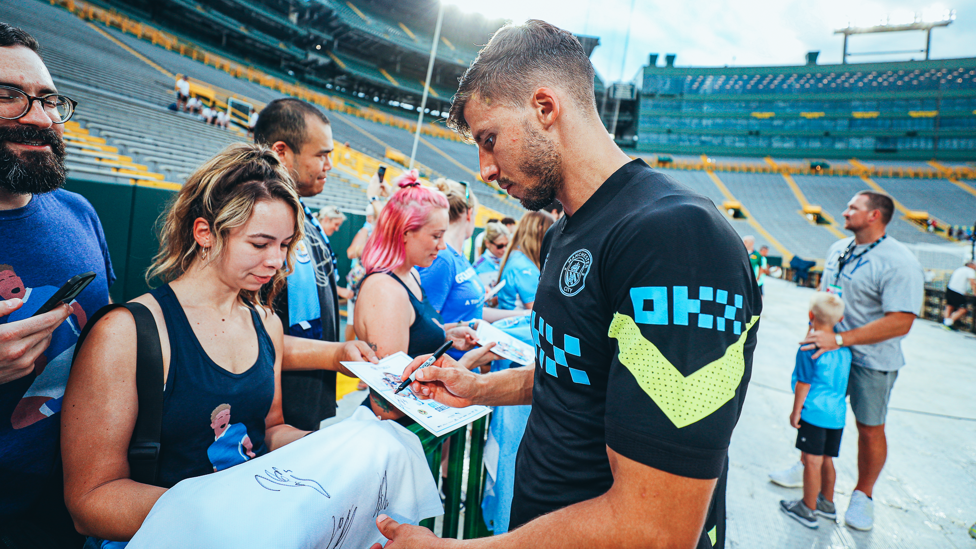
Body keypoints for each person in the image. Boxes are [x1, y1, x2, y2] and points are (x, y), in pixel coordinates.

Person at [373, 20, 762, 549]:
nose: (484, 169)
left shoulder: (676, 240)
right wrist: (478, 388)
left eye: (489, 139)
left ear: (545, 107)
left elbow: (658, 530)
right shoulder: (566, 231)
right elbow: (580, 375)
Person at [61, 144, 324, 544]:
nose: (276, 261)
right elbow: (90, 500)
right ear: (205, 232)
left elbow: (268, 430)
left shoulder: (266, 322)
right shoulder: (127, 332)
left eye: (285, 245)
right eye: (259, 244)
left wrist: (335, 447)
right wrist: (214, 514)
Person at [0, 24, 112, 548]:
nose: (40, 118)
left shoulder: (80, 214)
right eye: (8, 96)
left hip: (70, 503)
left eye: (47, 100)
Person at [795, 190, 923, 531]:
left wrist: (840, 339)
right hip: (829, 352)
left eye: (853, 207)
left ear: (874, 216)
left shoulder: (899, 261)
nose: (845, 211)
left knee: (869, 428)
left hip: (872, 359)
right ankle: (809, 464)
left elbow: (902, 320)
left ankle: (863, 495)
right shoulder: (838, 248)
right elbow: (825, 299)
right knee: (816, 411)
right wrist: (814, 333)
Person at [254, 98, 375, 432]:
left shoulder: (303, 217)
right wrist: (334, 354)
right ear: (282, 151)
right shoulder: (256, 228)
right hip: (268, 419)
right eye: (322, 154)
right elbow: (249, 339)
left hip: (306, 403)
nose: (330, 164)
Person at [353, 171, 488, 420]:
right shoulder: (386, 291)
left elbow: (412, 336)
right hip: (396, 430)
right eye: (436, 236)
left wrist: (447, 333)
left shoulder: (411, 274)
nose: (443, 245)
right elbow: (391, 399)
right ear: (405, 233)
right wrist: (464, 365)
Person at [780, 293, 852, 529]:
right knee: (827, 460)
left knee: (811, 461)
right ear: (840, 318)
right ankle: (827, 504)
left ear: (810, 315)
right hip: (837, 414)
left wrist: (796, 411)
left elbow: (804, 382)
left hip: (814, 412)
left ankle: (807, 508)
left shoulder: (809, 347)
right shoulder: (844, 349)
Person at [419, 179, 525, 333]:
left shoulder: (456, 255)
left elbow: (473, 314)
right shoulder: (442, 258)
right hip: (452, 355)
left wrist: (523, 315)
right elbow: (427, 327)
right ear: (469, 214)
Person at [495, 211, 554, 310]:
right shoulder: (525, 268)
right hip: (519, 323)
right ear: (540, 231)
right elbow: (539, 311)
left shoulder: (516, 255)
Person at [345, 202, 378, 343]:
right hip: (359, 281)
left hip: (374, 281)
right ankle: (346, 351)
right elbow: (350, 252)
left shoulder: (382, 232)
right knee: (353, 319)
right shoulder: (365, 230)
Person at [316, 205, 354, 301]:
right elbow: (316, 274)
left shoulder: (319, 236)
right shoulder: (315, 238)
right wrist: (339, 290)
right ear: (326, 219)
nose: (337, 229)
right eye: (336, 224)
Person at [473, 220, 511, 289]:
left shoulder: (509, 261)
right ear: (487, 243)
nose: (504, 249)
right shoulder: (478, 267)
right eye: (500, 246)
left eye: (506, 245)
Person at [942, 260, 976, 330]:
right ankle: (948, 323)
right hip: (958, 291)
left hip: (950, 288)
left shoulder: (960, 269)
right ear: (971, 265)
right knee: (963, 309)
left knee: (949, 306)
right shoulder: (970, 271)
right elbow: (972, 283)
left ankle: (945, 322)